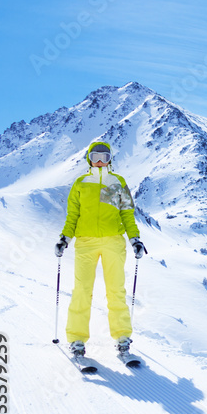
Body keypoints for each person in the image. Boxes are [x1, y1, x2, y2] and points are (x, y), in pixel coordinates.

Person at [54, 141, 147, 357]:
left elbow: (127, 214)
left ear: (110, 160)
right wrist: (64, 238)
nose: (99, 161)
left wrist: (135, 239)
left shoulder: (117, 182)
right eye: (96, 156)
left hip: (113, 241)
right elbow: (73, 216)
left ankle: (122, 336)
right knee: (82, 290)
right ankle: (77, 339)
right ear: (88, 158)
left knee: (116, 290)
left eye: (104, 158)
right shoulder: (81, 183)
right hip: (85, 242)